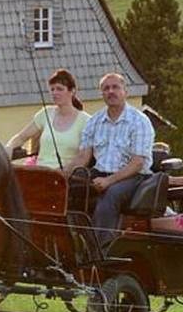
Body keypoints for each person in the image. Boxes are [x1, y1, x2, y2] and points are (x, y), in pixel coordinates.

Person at [63, 72, 155, 250]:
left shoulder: (139, 121)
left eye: (115, 87)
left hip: (133, 177)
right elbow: (83, 157)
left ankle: (100, 249)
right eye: (106, 88)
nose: (110, 91)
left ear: (125, 91)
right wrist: (61, 175)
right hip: (100, 173)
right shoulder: (95, 121)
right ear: (101, 93)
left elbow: (137, 163)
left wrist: (108, 181)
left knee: (110, 195)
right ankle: (70, 243)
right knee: (66, 191)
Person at [4, 69, 91, 170]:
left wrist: (62, 172)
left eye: (59, 89)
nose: (54, 93)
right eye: (52, 89)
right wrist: (9, 147)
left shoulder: (86, 121)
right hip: (40, 173)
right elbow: (21, 137)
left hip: (65, 178)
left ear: (72, 91)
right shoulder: (45, 113)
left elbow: (83, 158)